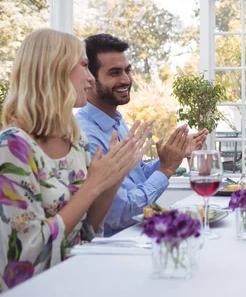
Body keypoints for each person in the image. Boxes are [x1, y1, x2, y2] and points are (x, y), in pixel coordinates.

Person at [0, 29, 151, 291]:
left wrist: (114, 176)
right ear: (54, 70)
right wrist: (93, 185)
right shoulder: (13, 147)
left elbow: (86, 230)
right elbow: (24, 258)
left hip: (80, 280)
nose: (91, 79)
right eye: (84, 66)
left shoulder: (75, 140)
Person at [75, 34, 208, 236]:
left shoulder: (116, 122)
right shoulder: (87, 136)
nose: (126, 79)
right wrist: (166, 168)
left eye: (127, 70)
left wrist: (172, 156)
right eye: (114, 73)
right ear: (90, 78)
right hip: (117, 248)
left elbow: (134, 178)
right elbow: (121, 214)